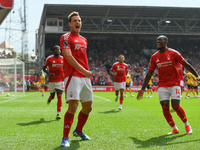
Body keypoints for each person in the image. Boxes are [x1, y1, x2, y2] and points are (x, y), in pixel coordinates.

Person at [136, 35, 200, 135]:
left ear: (165, 42)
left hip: (174, 83)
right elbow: (149, 73)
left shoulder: (174, 53)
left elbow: (186, 65)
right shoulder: (154, 57)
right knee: (165, 108)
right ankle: (174, 128)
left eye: (160, 40)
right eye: (156, 40)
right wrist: (142, 89)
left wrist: (197, 76)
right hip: (162, 85)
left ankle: (187, 125)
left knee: (175, 106)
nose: (157, 42)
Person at [60, 11, 93, 147]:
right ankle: (65, 138)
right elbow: (68, 56)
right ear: (70, 23)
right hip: (73, 75)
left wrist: (86, 72)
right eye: (74, 21)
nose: (77, 22)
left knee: (88, 107)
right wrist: (84, 70)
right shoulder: (65, 37)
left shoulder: (84, 39)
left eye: (79, 20)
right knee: (73, 106)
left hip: (85, 77)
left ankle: (78, 131)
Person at [43, 45, 64, 120]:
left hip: (61, 80)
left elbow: (66, 67)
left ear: (60, 50)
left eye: (58, 49)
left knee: (59, 96)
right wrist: (49, 73)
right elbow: (44, 68)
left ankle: (58, 113)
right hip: (52, 80)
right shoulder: (49, 58)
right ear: (53, 51)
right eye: (55, 49)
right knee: (53, 96)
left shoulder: (63, 58)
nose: (57, 50)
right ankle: (50, 98)